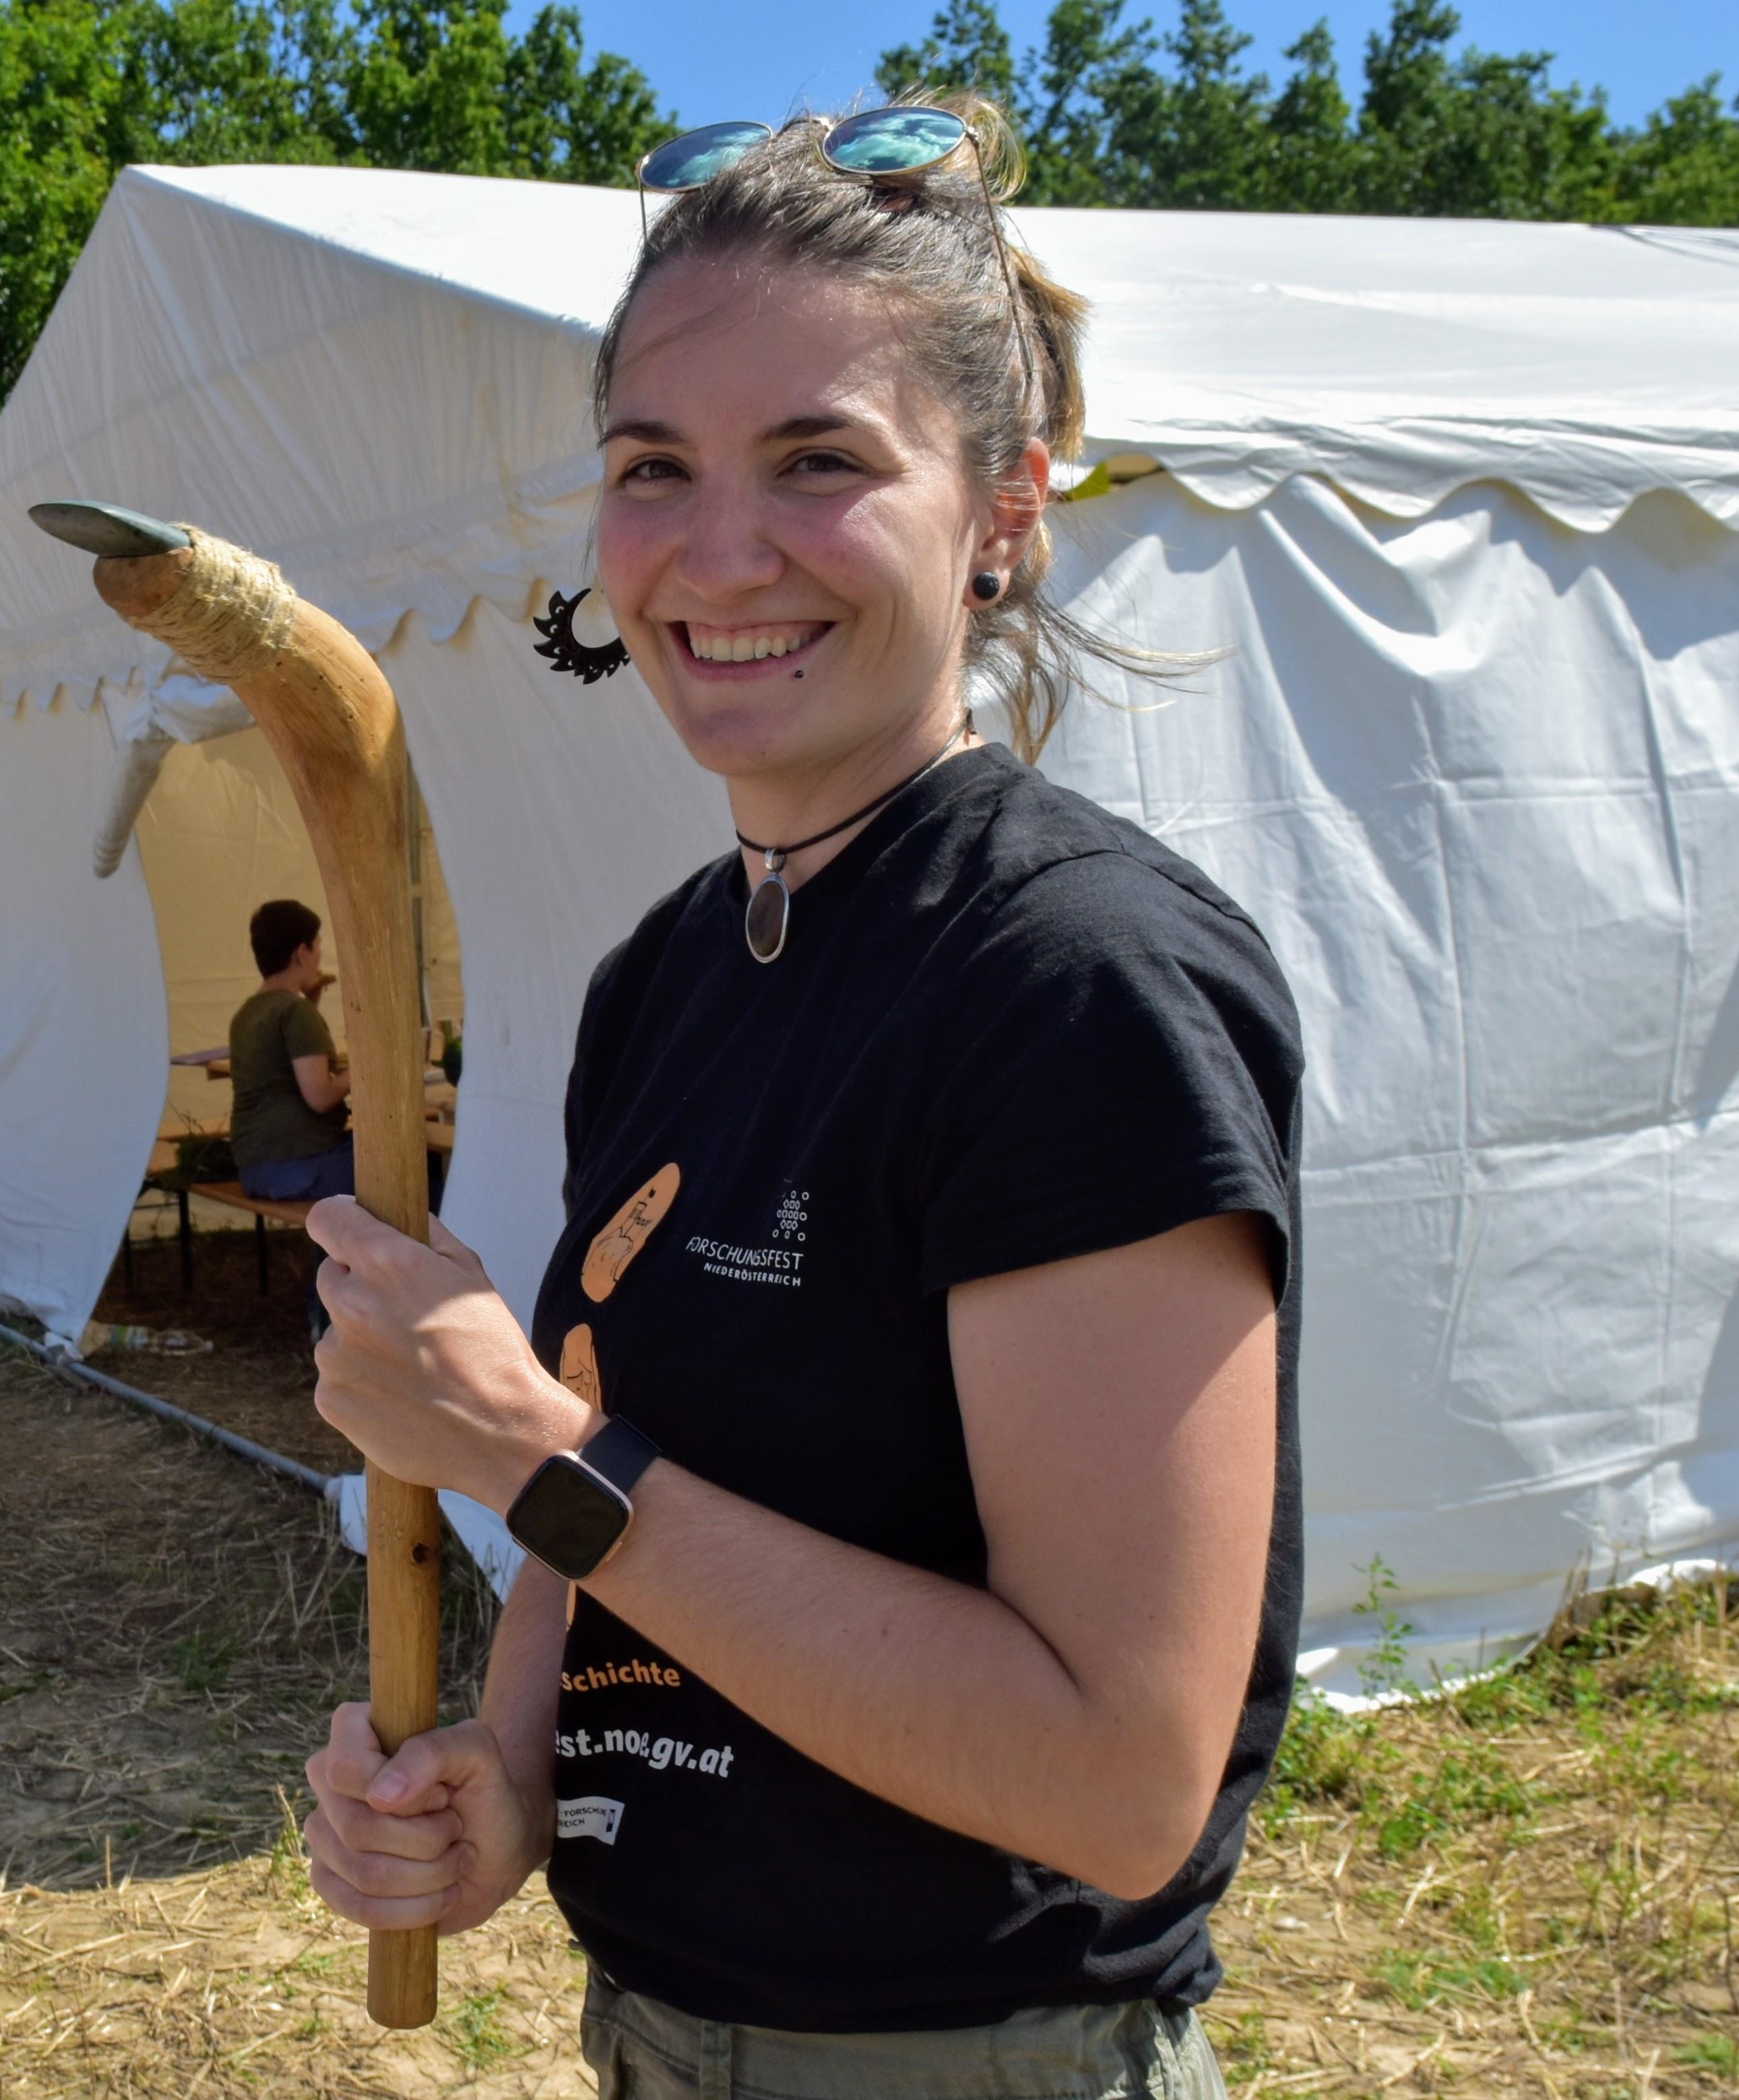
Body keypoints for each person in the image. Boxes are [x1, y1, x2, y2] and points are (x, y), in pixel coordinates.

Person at [301, 96, 1303, 2100]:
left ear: (1004, 506)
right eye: (650, 466)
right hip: (662, 2036)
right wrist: (499, 1785)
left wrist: (528, 1452)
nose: (716, 548)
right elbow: (611, 1487)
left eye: (818, 461)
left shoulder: (1068, 977)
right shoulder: (662, 972)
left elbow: (1113, 1773)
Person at [229, 898, 354, 1203]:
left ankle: (326, 1250)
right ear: (301, 953)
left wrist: (310, 1004)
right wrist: (367, 1064)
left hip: (255, 1168)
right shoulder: (295, 1011)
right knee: (420, 1184)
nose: (320, 956)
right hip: (301, 1164)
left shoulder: (247, 1012)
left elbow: (284, 1063)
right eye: (318, 946)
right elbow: (321, 1097)